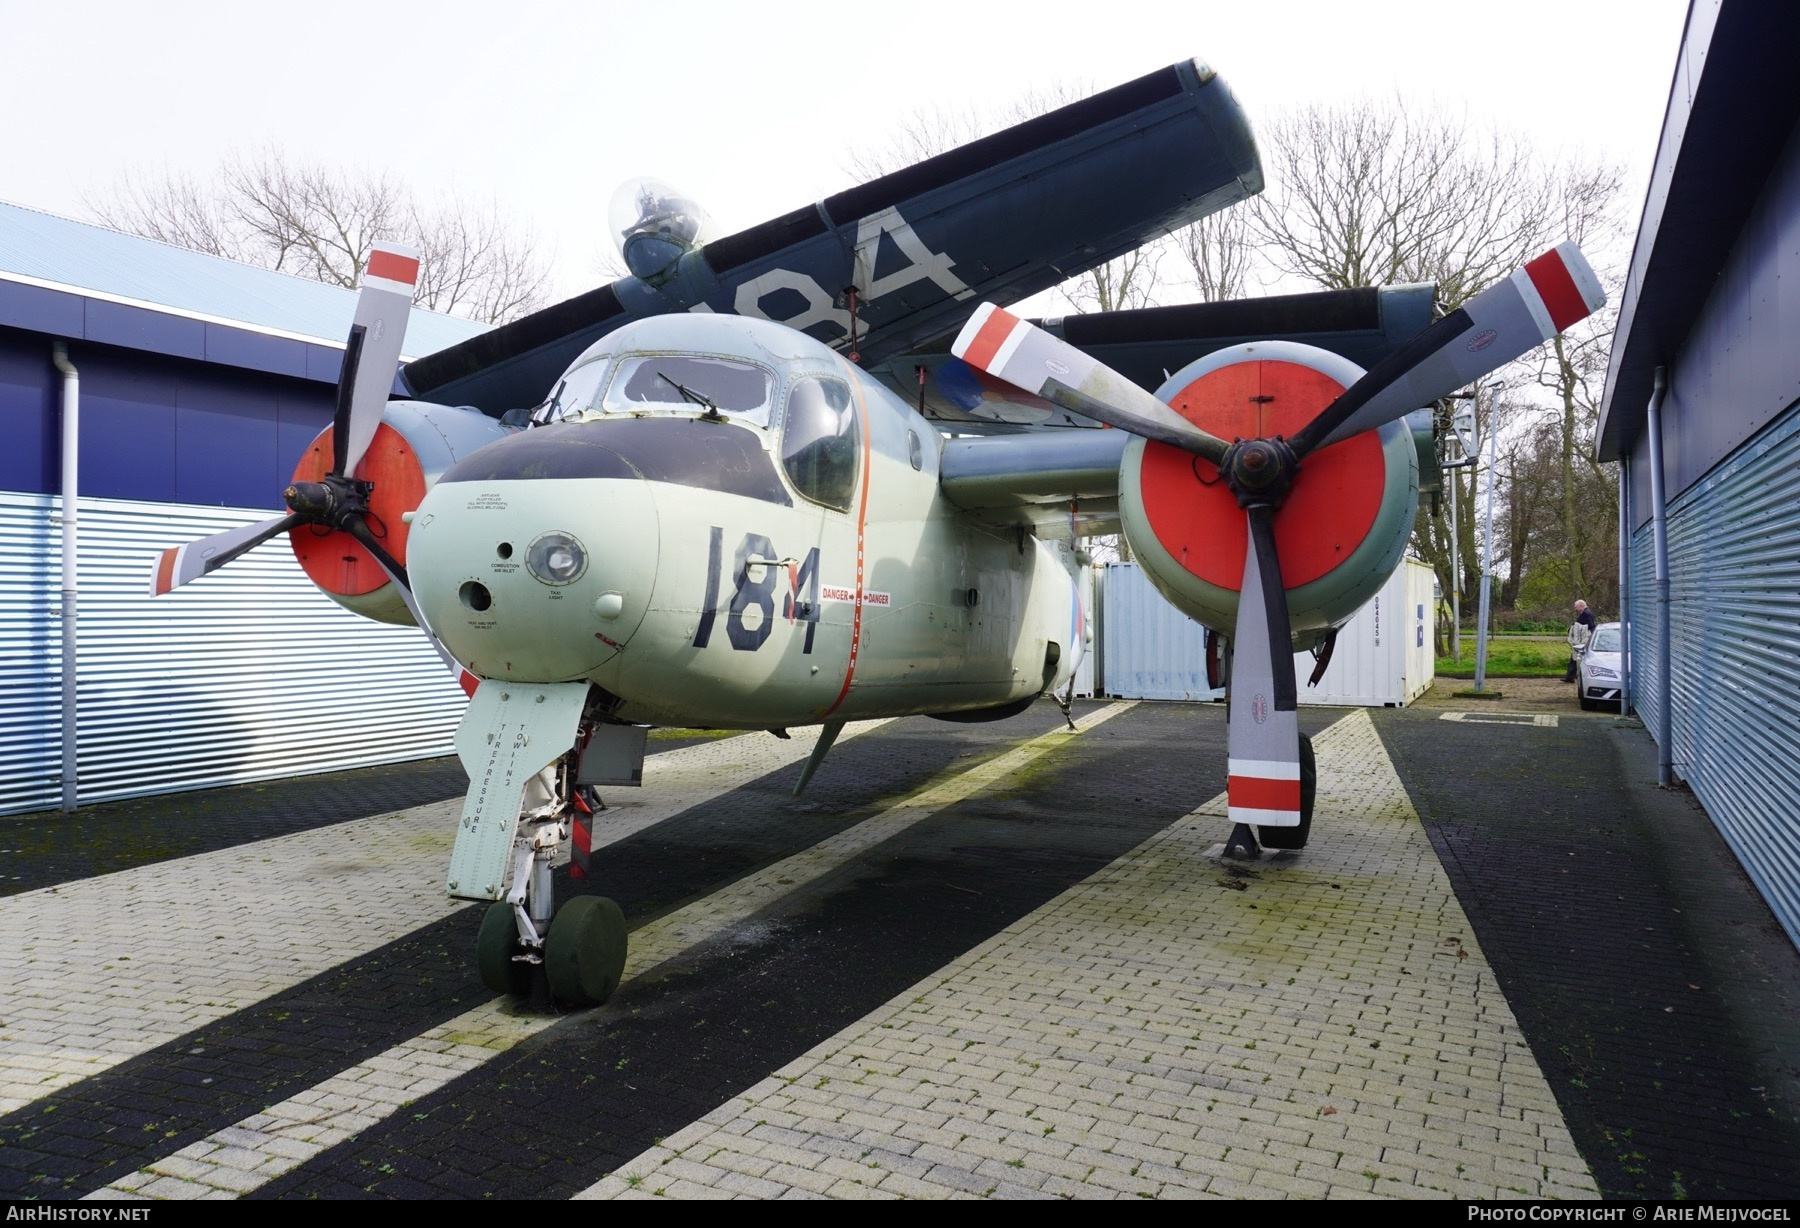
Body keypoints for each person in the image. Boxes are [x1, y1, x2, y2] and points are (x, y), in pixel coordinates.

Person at [1565, 599, 1596, 682]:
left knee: (1576, 656)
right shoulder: (1587, 612)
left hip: (1583, 640)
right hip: (1584, 638)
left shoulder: (1585, 613)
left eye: (1576, 607)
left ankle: (1570, 676)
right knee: (1574, 657)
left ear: (1581, 605)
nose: (1575, 609)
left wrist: (1574, 628)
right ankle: (1569, 676)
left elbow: (1590, 625)